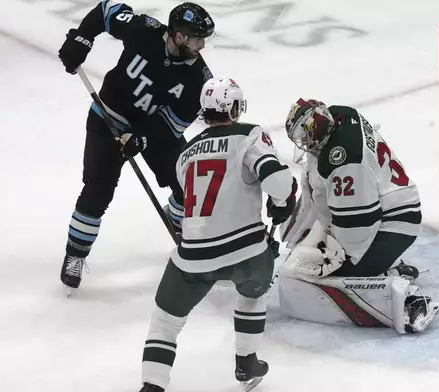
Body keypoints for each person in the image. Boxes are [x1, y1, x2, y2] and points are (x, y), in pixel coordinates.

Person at [137, 77, 297, 392]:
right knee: (252, 295)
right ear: (235, 107)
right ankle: (246, 362)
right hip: (248, 254)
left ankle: (152, 385)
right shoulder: (248, 135)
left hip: (193, 257)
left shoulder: (186, 154)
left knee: (165, 322)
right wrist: (282, 205)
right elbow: (278, 183)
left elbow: (184, 208)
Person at [57, 1, 215, 293]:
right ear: (179, 36)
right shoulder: (143, 30)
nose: (202, 45)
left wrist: (141, 138)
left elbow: (171, 126)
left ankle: (176, 220)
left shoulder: (197, 80)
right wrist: (82, 38)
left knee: (187, 179)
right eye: (196, 38)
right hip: (108, 119)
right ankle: (75, 255)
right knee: (98, 189)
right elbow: (106, 11)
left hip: (152, 130)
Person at [277, 99, 439, 334]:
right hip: (392, 205)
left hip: (395, 222)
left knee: (338, 272)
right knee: (323, 253)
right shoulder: (341, 117)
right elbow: (320, 192)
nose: (305, 144)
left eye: (306, 136)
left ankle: (404, 294)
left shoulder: (345, 160)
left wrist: (340, 259)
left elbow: (359, 224)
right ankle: (387, 265)